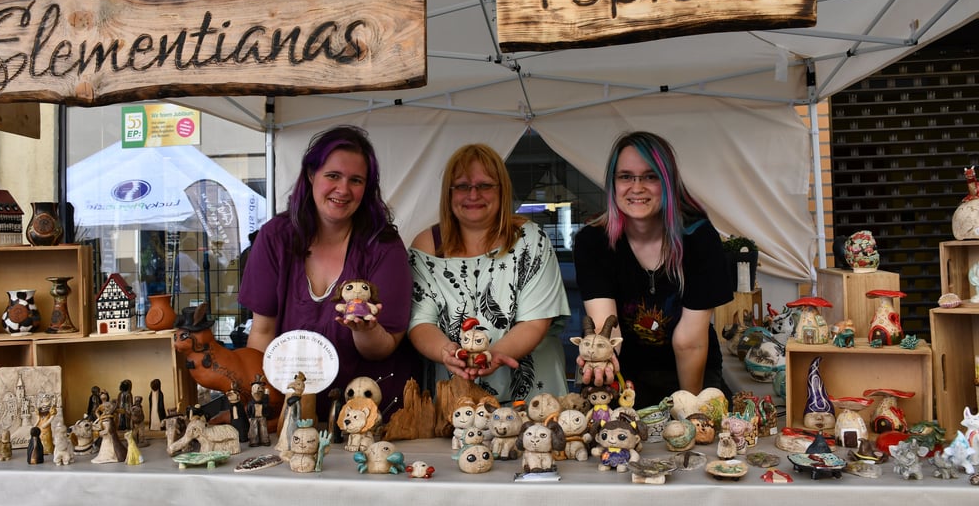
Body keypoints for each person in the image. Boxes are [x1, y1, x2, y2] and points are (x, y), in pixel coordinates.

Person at [238, 125, 413, 422]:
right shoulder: (275, 237)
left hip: (367, 414)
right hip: (292, 410)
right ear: (310, 175)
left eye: (355, 180)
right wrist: (261, 402)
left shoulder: (383, 246)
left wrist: (364, 329)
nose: (343, 190)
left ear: (366, 188)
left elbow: (384, 347)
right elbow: (262, 333)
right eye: (333, 176)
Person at [572, 131, 733, 410]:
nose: (637, 187)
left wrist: (690, 411)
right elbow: (606, 325)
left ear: (668, 183)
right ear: (612, 184)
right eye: (625, 176)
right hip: (628, 377)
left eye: (650, 176)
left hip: (694, 372)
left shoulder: (699, 237)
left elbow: (690, 342)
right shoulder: (593, 242)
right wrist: (600, 359)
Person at [408, 143, 570, 403]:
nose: (473, 195)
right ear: (448, 193)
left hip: (534, 395)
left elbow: (536, 321)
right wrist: (446, 352)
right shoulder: (426, 245)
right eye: (462, 186)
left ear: (502, 190)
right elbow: (420, 322)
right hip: (456, 398)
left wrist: (493, 354)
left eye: (484, 185)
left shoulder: (530, 239)